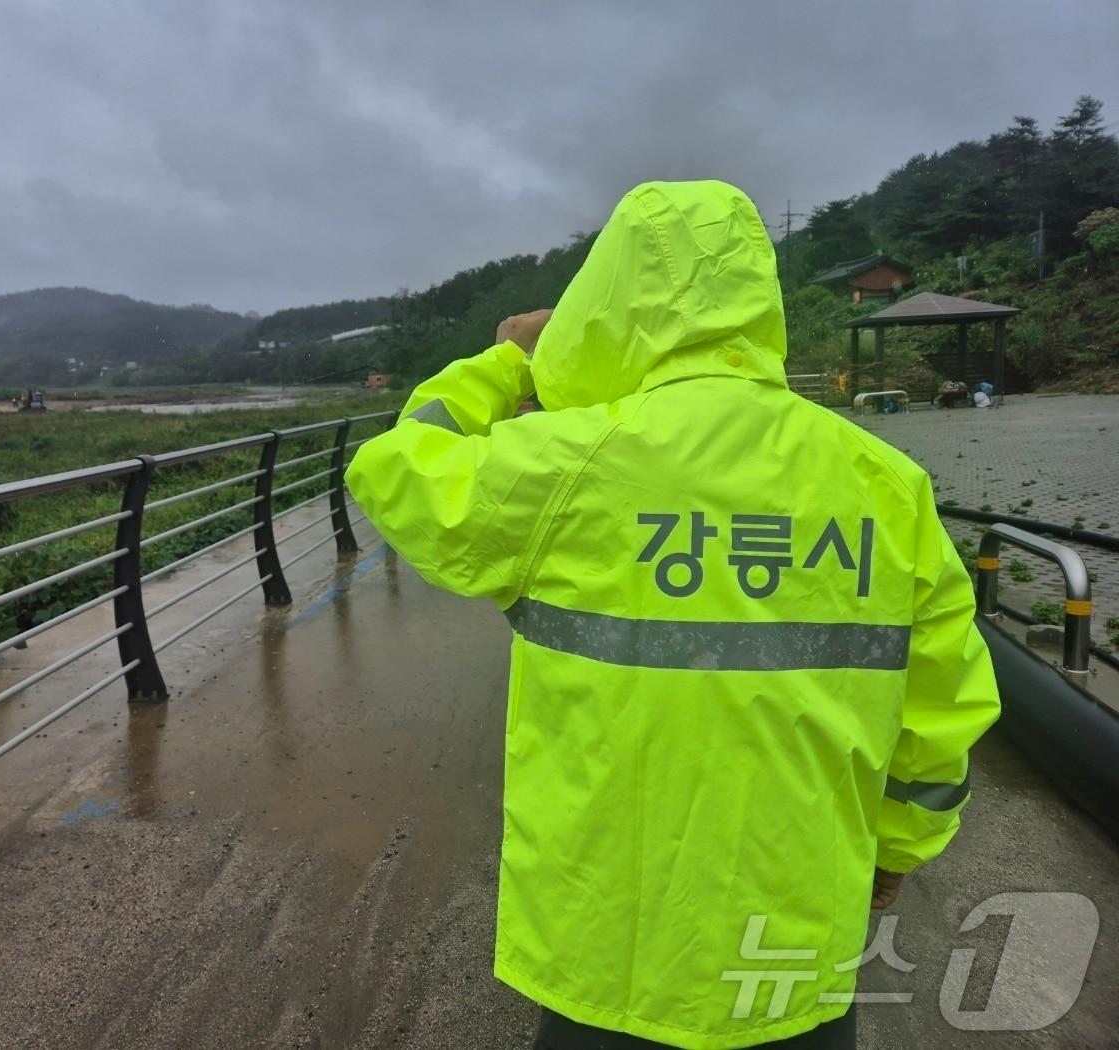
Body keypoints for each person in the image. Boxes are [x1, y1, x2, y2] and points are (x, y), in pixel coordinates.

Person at [346, 181, 1000, 1048]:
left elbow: (398, 464)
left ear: (608, 303)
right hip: (790, 935)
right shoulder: (883, 482)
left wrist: (509, 363)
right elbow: (941, 705)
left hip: (603, 947)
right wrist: (898, 849)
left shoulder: (564, 465)